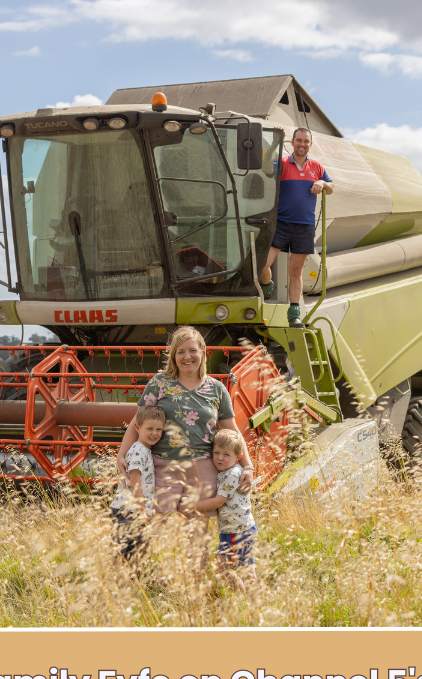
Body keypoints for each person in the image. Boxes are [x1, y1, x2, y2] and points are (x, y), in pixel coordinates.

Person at [116, 326, 255, 563]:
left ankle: (194, 581)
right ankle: (135, 575)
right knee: (147, 527)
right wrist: (122, 454)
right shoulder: (160, 383)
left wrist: (248, 466)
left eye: (192, 350)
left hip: (202, 469)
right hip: (162, 466)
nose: (187, 356)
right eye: (180, 352)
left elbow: (232, 430)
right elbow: (137, 422)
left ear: (203, 352)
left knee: (196, 539)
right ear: (173, 356)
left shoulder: (216, 389)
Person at [259, 127, 333, 329]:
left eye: (306, 141)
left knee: (296, 270)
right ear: (292, 143)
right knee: (263, 264)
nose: (302, 144)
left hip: (305, 226)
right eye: (299, 140)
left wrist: (321, 182)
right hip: (281, 223)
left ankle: (294, 316)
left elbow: (331, 187)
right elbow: (266, 168)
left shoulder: (317, 167)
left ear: (310, 144)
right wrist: (275, 143)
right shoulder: (282, 163)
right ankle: (267, 286)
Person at [179, 429, 258, 592]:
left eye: (226, 454)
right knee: (223, 567)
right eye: (217, 453)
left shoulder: (233, 473)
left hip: (239, 530)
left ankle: (253, 599)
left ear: (238, 457)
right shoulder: (224, 471)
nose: (220, 458)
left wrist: (191, 506)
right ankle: (243, 596)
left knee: (244, 569)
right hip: (229, 530)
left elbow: (218, 501)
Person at [109, 405, 165, 560]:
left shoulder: (144, 450)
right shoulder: (139, 450)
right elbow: (135, 481)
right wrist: (142, 511)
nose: (154, 433)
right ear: (137, 428)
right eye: (149, 429)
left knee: (131, 553)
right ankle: (119, 575)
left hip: (131, 510)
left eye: (158, 429)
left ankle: (129, 575)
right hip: (129, 511)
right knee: (123, 554)